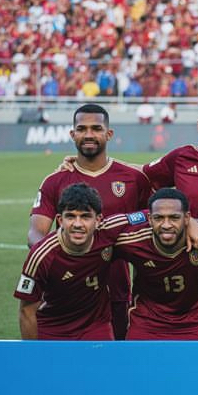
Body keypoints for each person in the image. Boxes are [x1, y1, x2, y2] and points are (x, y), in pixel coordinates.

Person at [29, 103, 153, 340]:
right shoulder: (55, 181)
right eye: (82, 128)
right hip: (67, 290)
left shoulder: (133, 178)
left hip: (117, 289)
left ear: (109, 134)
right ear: (72, 134)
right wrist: (64, 261)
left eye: (96, 128)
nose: (88, 135)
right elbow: (35, 235)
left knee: (114, 360)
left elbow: (153, 221)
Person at [14, 183, 138, 340]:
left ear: (98, 220)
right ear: (60, 219)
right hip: (53, 328)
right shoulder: (41, 255)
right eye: (71, 216)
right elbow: (26, 311)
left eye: (85, 216)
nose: (78, 224)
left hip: (96, 326)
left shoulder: (108, 231)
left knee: (102, 364)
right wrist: (33, 354)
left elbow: (149, 215)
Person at [114, 188, 198, 340]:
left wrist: (196, 222)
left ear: (187, 218)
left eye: (174, 218)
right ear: (150, 218)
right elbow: (100, 231)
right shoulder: (132, 241)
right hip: (146, 322)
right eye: (159, 218)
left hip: (195, 323)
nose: (166, 225)